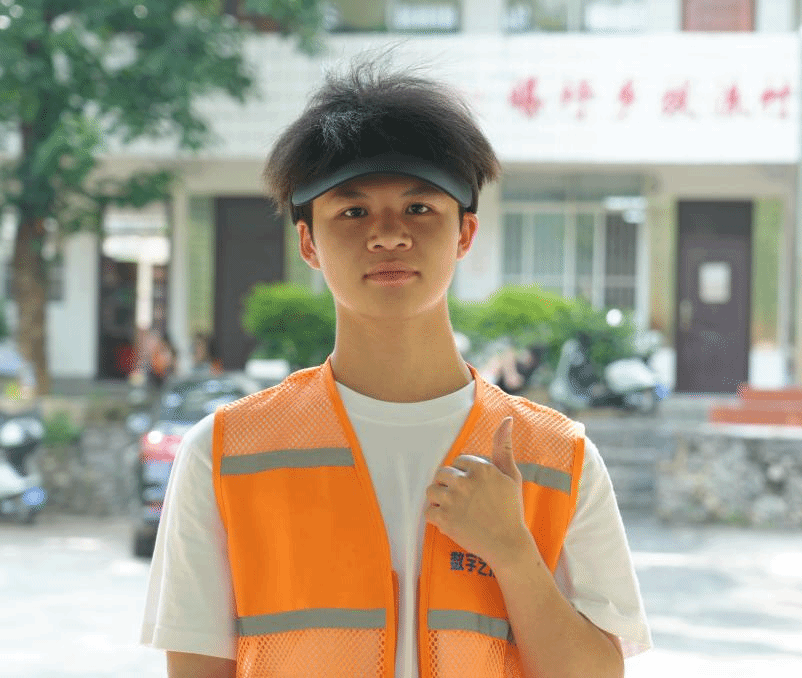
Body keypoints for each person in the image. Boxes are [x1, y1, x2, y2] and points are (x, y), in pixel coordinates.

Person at [141, 58, 652, 678]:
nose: (388, 235)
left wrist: (513, 553)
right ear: (308, 242)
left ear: (465, 233)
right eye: (353, 212)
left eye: (419, 208)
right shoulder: (224, 456)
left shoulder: (559, 458)